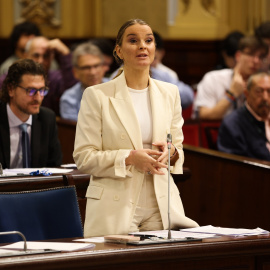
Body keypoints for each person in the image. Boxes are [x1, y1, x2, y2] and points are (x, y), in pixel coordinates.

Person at [73, 18, 198, 237]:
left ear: (154, 49)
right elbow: (84, 157)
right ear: (119, 51)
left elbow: (177, 147)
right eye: (133, 40)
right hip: (115, 202)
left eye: (148, 40)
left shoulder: (170, 93)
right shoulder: (97, 95)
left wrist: (172, 153)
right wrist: (129, 158)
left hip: (161, 202)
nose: (142, 45)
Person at [0, 59, 62, 169]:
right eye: (31, 90)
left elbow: (54, 166)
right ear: (11, 89)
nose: (38, 97)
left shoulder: (47, 118)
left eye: (42, 90)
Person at [193, 35, 268, 120]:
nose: (256, 61)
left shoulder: (265, 86)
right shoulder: (213, 78)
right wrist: (232, 94)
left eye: (261, 57)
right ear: (238, 56)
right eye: (251, 54)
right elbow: (203, 116)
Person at [0, 36, 77, 115]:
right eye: (36, 55)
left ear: (52, 58)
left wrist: (65, 53)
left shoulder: (56, 78)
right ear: (25, 55)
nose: (40, 61)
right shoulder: (12, 76)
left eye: (46, 56)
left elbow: (73, 90)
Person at [217, 72, 270, 161]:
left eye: (269, 91)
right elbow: (237, 168)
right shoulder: (232, 125)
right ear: (247, 94)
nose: (265, 97)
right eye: (259, 91)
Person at [60, 42, 108, 121]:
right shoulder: (68, 99)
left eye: (96, 66)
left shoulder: (118, 88)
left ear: (103, 67)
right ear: (75, 72)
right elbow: (75, 131)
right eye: (86, 67)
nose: (93, 72)